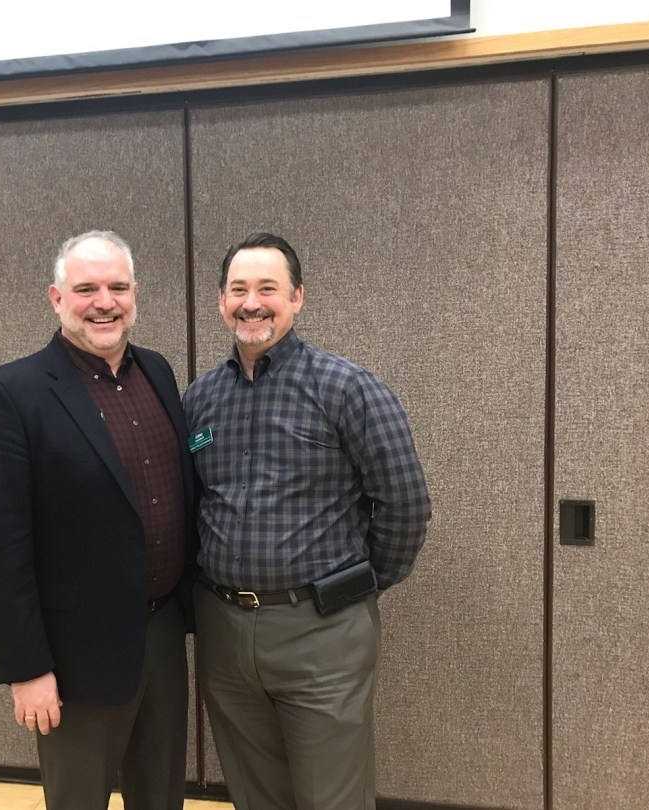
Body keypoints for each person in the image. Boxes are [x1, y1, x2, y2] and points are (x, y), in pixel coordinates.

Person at [184, 232, 432, 810]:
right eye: (238, 289)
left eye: (267, 288)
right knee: (255, 795)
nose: (252, 302)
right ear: (221, 301)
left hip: (322, 631)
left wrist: (354, 586)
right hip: (224, 632)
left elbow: (405, 504)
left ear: (297, 298)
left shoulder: (346, 387)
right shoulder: (199, 399)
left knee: (333, 800)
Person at [0, 231, 196, 810]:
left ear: (135, 294)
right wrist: (27, 668)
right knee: (78, 800)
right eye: (86, 288)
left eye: (118, 287)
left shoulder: (159, 373)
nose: (104, 301)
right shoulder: (11, 393)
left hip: (163, 634)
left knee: (162, 793)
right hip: (74, 655)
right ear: (56, 297)